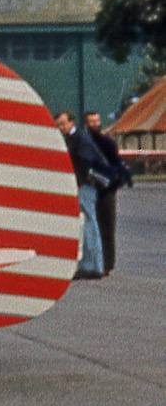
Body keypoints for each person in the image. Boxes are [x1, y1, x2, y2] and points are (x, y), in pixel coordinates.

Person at [57, 111, 106, 280]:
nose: (61, 127)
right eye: (59, 125)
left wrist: (77, 180)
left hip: (87, 183)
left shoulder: (78, 138)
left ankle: (91, 266)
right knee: (89, 222)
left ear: (72, 123)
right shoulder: (77, 137)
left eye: (63, 124)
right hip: (89, 182)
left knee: (89, 223)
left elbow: (84, 162)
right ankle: (93, 265)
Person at [86, 111, 131, 276]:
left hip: (107, 191)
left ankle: (108, 264)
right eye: (91, 122)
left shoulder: (108, 143)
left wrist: (113, 182)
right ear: (86, 124)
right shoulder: (85, 143)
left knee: (107, 227)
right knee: (92, 227)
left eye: (97, 121)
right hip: (90, 189)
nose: (95, 124)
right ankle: (94, 263)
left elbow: (117, 163)